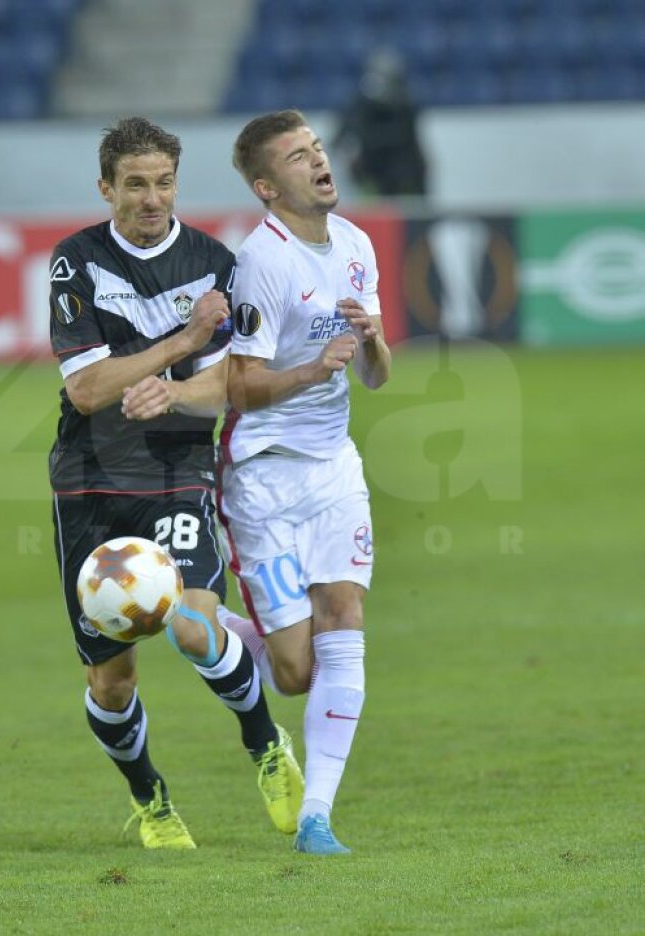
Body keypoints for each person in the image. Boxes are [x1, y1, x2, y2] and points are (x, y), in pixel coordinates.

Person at [49, 116, 303, 850]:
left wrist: (182, 385)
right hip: (90, 484)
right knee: (112, 681)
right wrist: (184, 344)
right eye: (135, 184)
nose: (152, 198)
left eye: (163, 182)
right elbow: (91, 389)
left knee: (194, 624)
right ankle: (151, 799)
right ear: (106, 189)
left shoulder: (218, 263)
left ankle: (265, 747)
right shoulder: (76, 263)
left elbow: (237, 375)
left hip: (177, 472)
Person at [218, 109, 392, 854]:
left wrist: (374, 340)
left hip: (333, 468)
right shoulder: (264, 261)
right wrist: (311, 372)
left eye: (317, 147)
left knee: (344, 618)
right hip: (262, 477)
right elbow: (238, 386)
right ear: (267, 185)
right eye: (297, 156)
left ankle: (317, 815)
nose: (319, 161)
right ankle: (204, 627)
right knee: (293, 672)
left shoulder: (354, 245)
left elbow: (377, 376)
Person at [333, 48, 428, 198]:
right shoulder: (359, 106)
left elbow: (407, 140)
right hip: (370, 177)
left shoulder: (405, 107)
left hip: (403, 178)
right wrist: (349, 152)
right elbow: (339, 139)